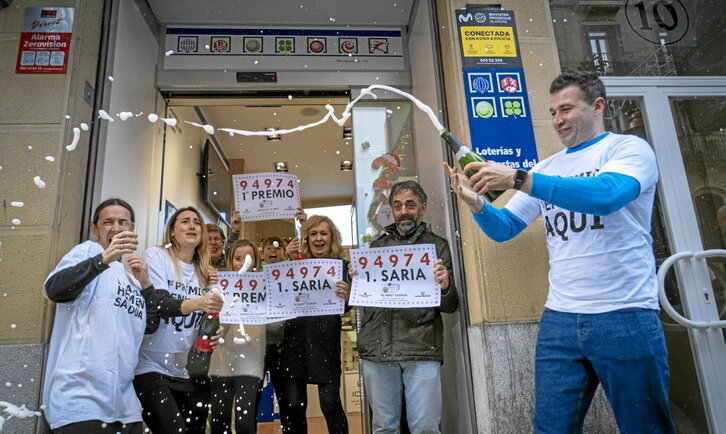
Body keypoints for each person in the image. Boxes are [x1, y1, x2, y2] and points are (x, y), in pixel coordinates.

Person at [445, 70, 675, 433]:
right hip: (561, 320)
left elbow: (607, 196)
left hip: (625, 315)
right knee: (550, 428)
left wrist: (518, 177)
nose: (557, 120)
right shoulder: (548, 167)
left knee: (645, 426)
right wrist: (476, 204)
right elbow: (505, 228)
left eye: (566, 109)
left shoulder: (628, 149)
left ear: (598, 106)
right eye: (552, 112)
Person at [42, 198, 160, 433]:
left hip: (125, 407)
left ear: (132, 230)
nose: (117, 228)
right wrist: (104, 258)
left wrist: (146, 285)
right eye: (108, 222)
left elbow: (149, 326)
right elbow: (55, 289)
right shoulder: (89, 251)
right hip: (81, 402)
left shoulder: (129, 277)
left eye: (124, 222)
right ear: (94, 228)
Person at [353, 181, 459, 434]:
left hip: (420, 349)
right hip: (378, 351)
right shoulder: (376, 248)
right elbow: (367, 300)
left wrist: (445, 285)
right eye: (397, 205)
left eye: (410, 205)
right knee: (384, 428)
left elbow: (450, 304)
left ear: (423, 207)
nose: (404, 211)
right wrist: (355, 281)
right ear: (391, 210)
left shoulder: (437, 247)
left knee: (424, 428)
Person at [134, 206, 224, 433]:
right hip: (149, 365)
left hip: (183, 369)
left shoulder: (204, 271)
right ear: (172, 231)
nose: (192, 225)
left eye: (196, 222)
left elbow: (207, 317)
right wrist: (199, 302)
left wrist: (215, 328)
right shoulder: (157, 256)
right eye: (185, 221)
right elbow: (160, 303)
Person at [281, 215, 350, 433]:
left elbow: (347, 307)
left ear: (332, 238)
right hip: (293, 342)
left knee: (330, 404)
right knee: (293, 406)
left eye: (323, 233)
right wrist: (292, 261)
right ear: (306, 239)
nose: (318, 238)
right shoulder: (292, 266)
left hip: (325, 343)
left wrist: (348, 296)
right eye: (313, 234)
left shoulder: (343, 267)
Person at [208, 239, 266, 434]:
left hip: (250, 359)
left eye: (248, 258)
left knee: (244, 420)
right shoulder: (219, 286)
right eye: (238, 258)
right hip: (221, 356)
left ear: (256, 261)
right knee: (219, 417)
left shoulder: (264, 288)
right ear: (230, 261)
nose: (242, 263)